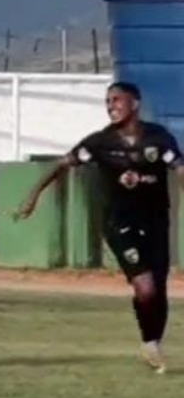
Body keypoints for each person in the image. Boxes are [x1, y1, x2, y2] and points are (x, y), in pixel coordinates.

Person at [16, 81, 181, 374]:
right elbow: (61, 164)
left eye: (117, 100)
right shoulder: (100, 143)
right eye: (107, 102)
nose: (111, 106)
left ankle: (151, 342)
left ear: (135, 103)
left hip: (156, 221)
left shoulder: (158, 138)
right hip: (119, 223)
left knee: (158, 289)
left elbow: (179, 169)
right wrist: (33, 195)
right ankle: (151, 342)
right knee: (144, 287)